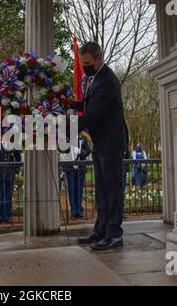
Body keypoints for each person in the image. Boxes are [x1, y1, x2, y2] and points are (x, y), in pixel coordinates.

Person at [76, 42, 129, 251]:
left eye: (88, 63)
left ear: (99, 58)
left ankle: (114, 234)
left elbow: (92, 114)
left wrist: (63, 129)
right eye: (82, 63)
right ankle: (101, 229)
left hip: (111, 141)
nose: (85, 66)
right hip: (100, 141)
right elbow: (85, 106)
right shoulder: (93, 78)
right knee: (101, 188)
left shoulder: (106, 81)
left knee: (112, 188)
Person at [0, 138, 22, 224]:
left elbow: (18, 158)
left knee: (8, 196)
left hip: (9, 175)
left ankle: (8, 217)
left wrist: (16, 171)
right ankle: (0, 217)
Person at [60, 132, 91, 219]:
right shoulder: (66, 139)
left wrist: (81, 152)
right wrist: (70, 147)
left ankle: (79, 210)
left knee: (79, 190)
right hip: (70, 168)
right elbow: (62, 149)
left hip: (80, 168)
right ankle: (73, 211)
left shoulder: (82, 138)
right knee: (71, 190)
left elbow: (88, 150)